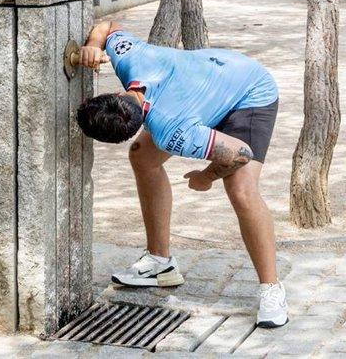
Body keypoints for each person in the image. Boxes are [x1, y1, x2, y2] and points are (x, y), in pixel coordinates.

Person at [75, 21, 288, 328]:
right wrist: (95, 45)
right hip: (212, 82)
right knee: (142, 157)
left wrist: (206, 176)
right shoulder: (130, 60)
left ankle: (271, 289)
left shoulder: (170, 130)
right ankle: (160, 263)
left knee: (241, 190)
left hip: (248, 92)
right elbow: (107, 27)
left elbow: (242, 153)